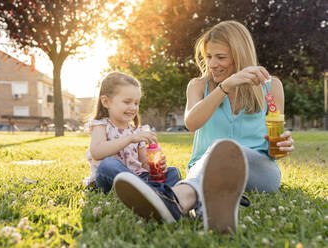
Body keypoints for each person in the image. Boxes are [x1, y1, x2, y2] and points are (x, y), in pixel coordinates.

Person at [113, 21, 295, 234]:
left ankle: (176, 199)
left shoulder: (271, 87)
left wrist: (280, 147)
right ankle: (208, 206)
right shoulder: (198, 86)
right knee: (217, 155)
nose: (212, 64)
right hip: (204, 171)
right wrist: (225, 87)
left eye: (220, 57)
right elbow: (191, 123)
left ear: (240, 55)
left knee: (226, 149)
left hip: (258, 172)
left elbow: (275, 146)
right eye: (209, 57)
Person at [83, 72, 182, 193]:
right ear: (106, 102)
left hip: (138, 177)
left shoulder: (137, 131)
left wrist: (156, 166)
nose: (133, 107)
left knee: (173, 172)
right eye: (127, 102)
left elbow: (144, 165)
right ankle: (152, 191)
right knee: (108, 164)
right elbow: (97, 153)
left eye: (136, 103)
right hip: (111, 179)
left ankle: (149, 193)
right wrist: (130, 138)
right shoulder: (101, 125)